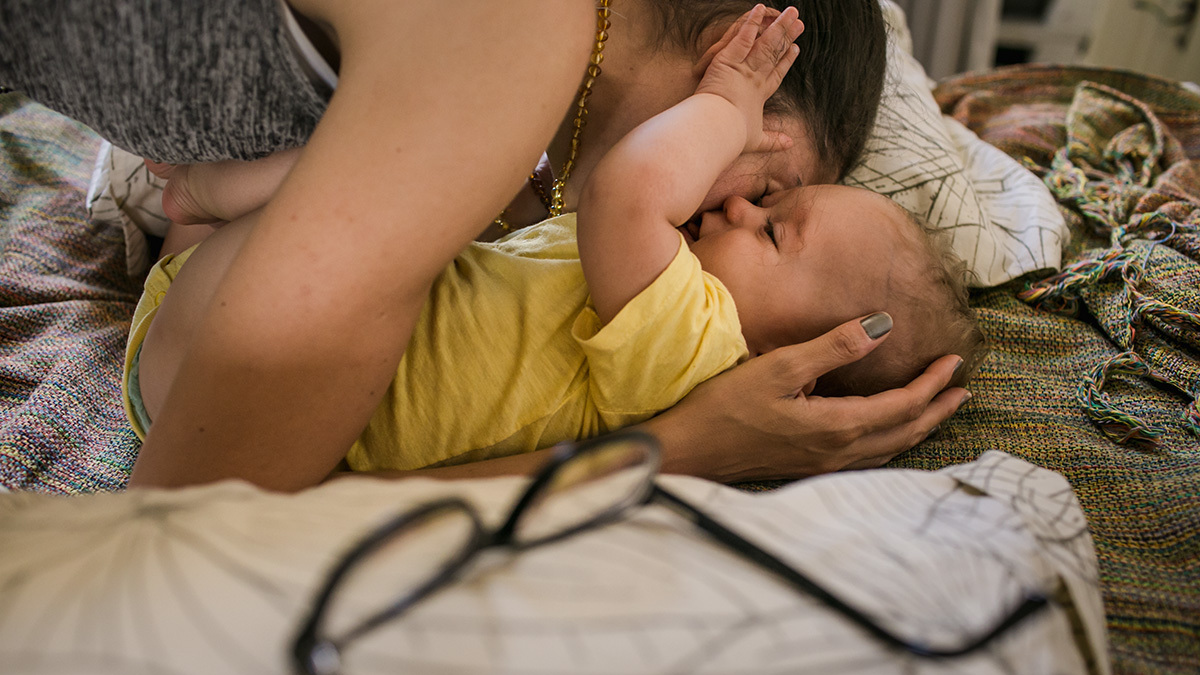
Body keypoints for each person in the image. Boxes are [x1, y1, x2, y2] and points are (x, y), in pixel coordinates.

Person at [0, 0, 970, 490]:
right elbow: (199, 511)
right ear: (731, 53)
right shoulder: (516, 31)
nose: (713, 220)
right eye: (763, 190)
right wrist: (678, 446)